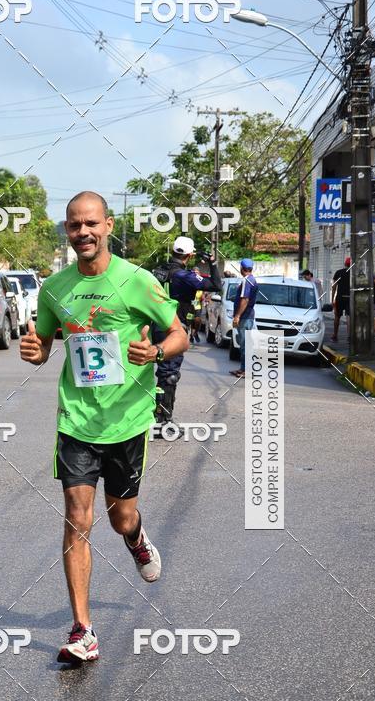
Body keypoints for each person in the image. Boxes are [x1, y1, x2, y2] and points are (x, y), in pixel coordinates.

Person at [19, 191, 188, 664]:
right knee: (78, 516)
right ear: (67, 231)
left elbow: (180, 335)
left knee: (120, 518)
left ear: (109, 225)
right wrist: (35, 351)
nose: (83, 233)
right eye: (74, 226)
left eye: (91, 223)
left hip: (127, 421)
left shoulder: (137, 282)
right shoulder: (54, 288)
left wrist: (155, 352)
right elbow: (45, 345)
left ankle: (135, 539)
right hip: (76, 421)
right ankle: (83, 630)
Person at [152, 237, 222, 424]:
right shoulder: (185, 276)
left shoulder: (157, 271)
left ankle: (156, 414)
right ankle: (162, 419)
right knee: (170, 375)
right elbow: (216, 285)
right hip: (174, 329)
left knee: (162, 373)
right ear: (189, 255)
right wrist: (212, 263)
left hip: (154, 326)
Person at [229, 258, 259, 379]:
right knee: (244, 344)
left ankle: (246, 370)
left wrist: (237, 316)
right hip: (247, 316)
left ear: (242, 268)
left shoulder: (247, 281)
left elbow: (245, 300)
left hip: (245, 317)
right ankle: (243, 369)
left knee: (245, 344)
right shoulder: (251, 280)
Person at [332, 257, 351, 343]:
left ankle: (335, 335)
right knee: (349, 317)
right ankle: (349, 337)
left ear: (345, 264)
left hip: (340, 297)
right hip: (350, 297)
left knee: (337, 316)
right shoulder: (353, 273)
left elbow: (334, 287)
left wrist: (333, 299)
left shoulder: (339, 272)